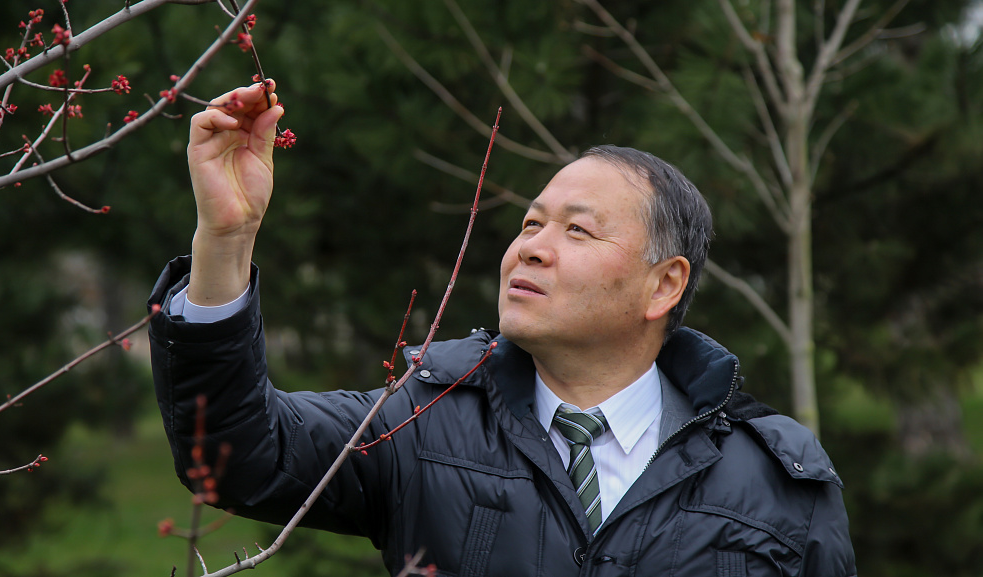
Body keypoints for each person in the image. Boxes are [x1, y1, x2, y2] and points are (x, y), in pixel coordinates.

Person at [148, 81, 857, 576]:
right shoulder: (422, 424)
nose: (531, 248)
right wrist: (226, 237)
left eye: (577, 230)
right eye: (528, 225)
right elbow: (236, 454)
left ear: (663, 284)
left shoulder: (778, 479)